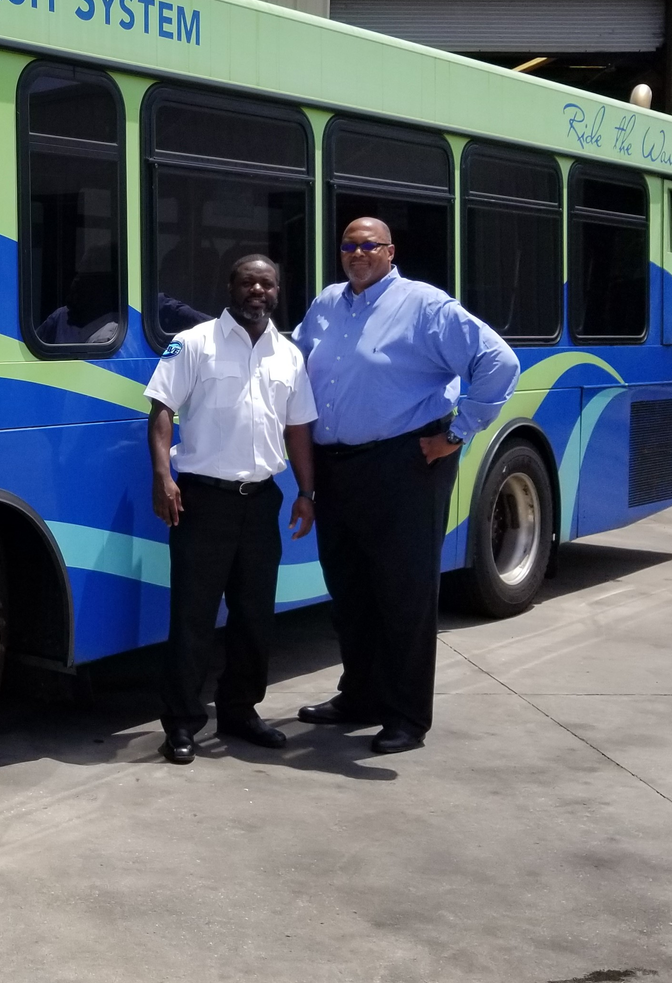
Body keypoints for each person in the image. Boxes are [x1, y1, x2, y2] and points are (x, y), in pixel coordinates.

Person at [293, 218, 519, 754]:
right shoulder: (326, 304)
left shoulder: (425, 306)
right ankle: (360, 695)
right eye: (348, 245)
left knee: (404, 592)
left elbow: (498, 362)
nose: (356, 253)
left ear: (390, 251)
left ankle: (407, 715)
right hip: (336, 465)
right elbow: (292, 363)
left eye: (368, 245)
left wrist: (458, 433)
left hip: (406, 462)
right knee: (350, 588)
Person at [145, 255, 316, 766]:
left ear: (278, 292)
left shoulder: (289, 355)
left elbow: (299, 430)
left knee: (254, 616)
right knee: (193, 619)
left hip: (262, 501)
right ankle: (181, 724)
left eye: (267, 283)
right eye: (248, 282)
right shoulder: (195, 343)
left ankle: (240, 712)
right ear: (230, 287)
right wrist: (162, 477)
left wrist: (307, 492)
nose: (257, 291)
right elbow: (161, 411)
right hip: (202, 501)